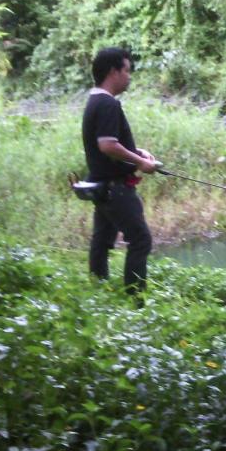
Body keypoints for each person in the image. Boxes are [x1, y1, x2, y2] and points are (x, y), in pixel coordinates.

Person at [82, 47, 158, 300]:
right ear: (113, 72)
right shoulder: (107, 104)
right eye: (126, 70)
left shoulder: (95, 100)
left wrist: (138, 151)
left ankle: (97, 292)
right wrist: (141, 163)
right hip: (116, 188)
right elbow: (107, 146)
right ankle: (136, 301)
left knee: (102, 240)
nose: (129, 76)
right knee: (140, 240)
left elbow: (107, 142)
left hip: (102, 186)